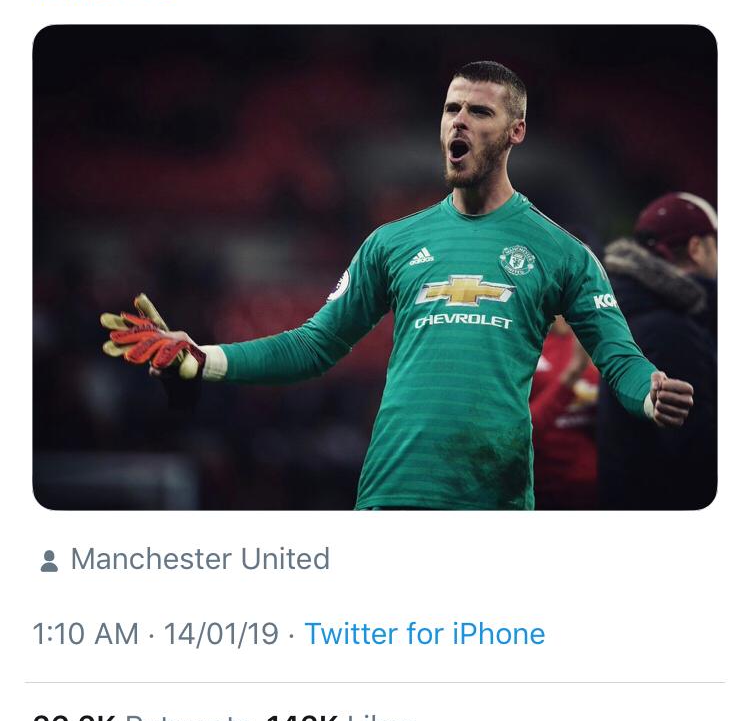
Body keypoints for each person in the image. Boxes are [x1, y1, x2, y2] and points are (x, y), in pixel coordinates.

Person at [101, 61, 694, 510]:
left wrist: (650, 393)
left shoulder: (562, 253)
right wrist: (202, 358)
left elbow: (618, 357)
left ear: (516, 131)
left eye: (479, 112)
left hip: (492, 503)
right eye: (451, 108)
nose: (459, 121)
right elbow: (313, 345)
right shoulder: (391, 243)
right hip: (391, 494)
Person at [598, 193, 717, 510]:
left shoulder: (628, 316)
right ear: (696, 248)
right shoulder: (670, 330)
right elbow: (696, 450)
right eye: (716, 245)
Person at [530, 317, 599, 510]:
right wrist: (572, 374)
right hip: (543, 489)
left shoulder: (590, 341)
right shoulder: (527, 347)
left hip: (595, 486)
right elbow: (522, 431)